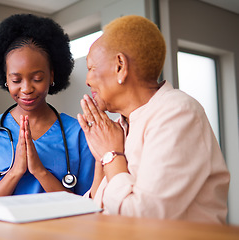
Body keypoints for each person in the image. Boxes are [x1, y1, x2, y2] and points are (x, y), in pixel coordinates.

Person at [77, 15, 230, 224]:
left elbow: (144, 219)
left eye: (91, 68)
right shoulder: (120, 126)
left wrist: (110, 156)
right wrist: (101, 163)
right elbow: (96, 215)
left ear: (120, 66)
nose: (87, 80)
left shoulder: (178, 112)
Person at [0, 14, 94, 199]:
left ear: (52, 76)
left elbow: (88, 205)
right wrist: (15, 172)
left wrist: (40, 171)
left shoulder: (79, 133)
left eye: (37, 79)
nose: (26, 89)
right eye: (16, 80)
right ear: (5, 79)